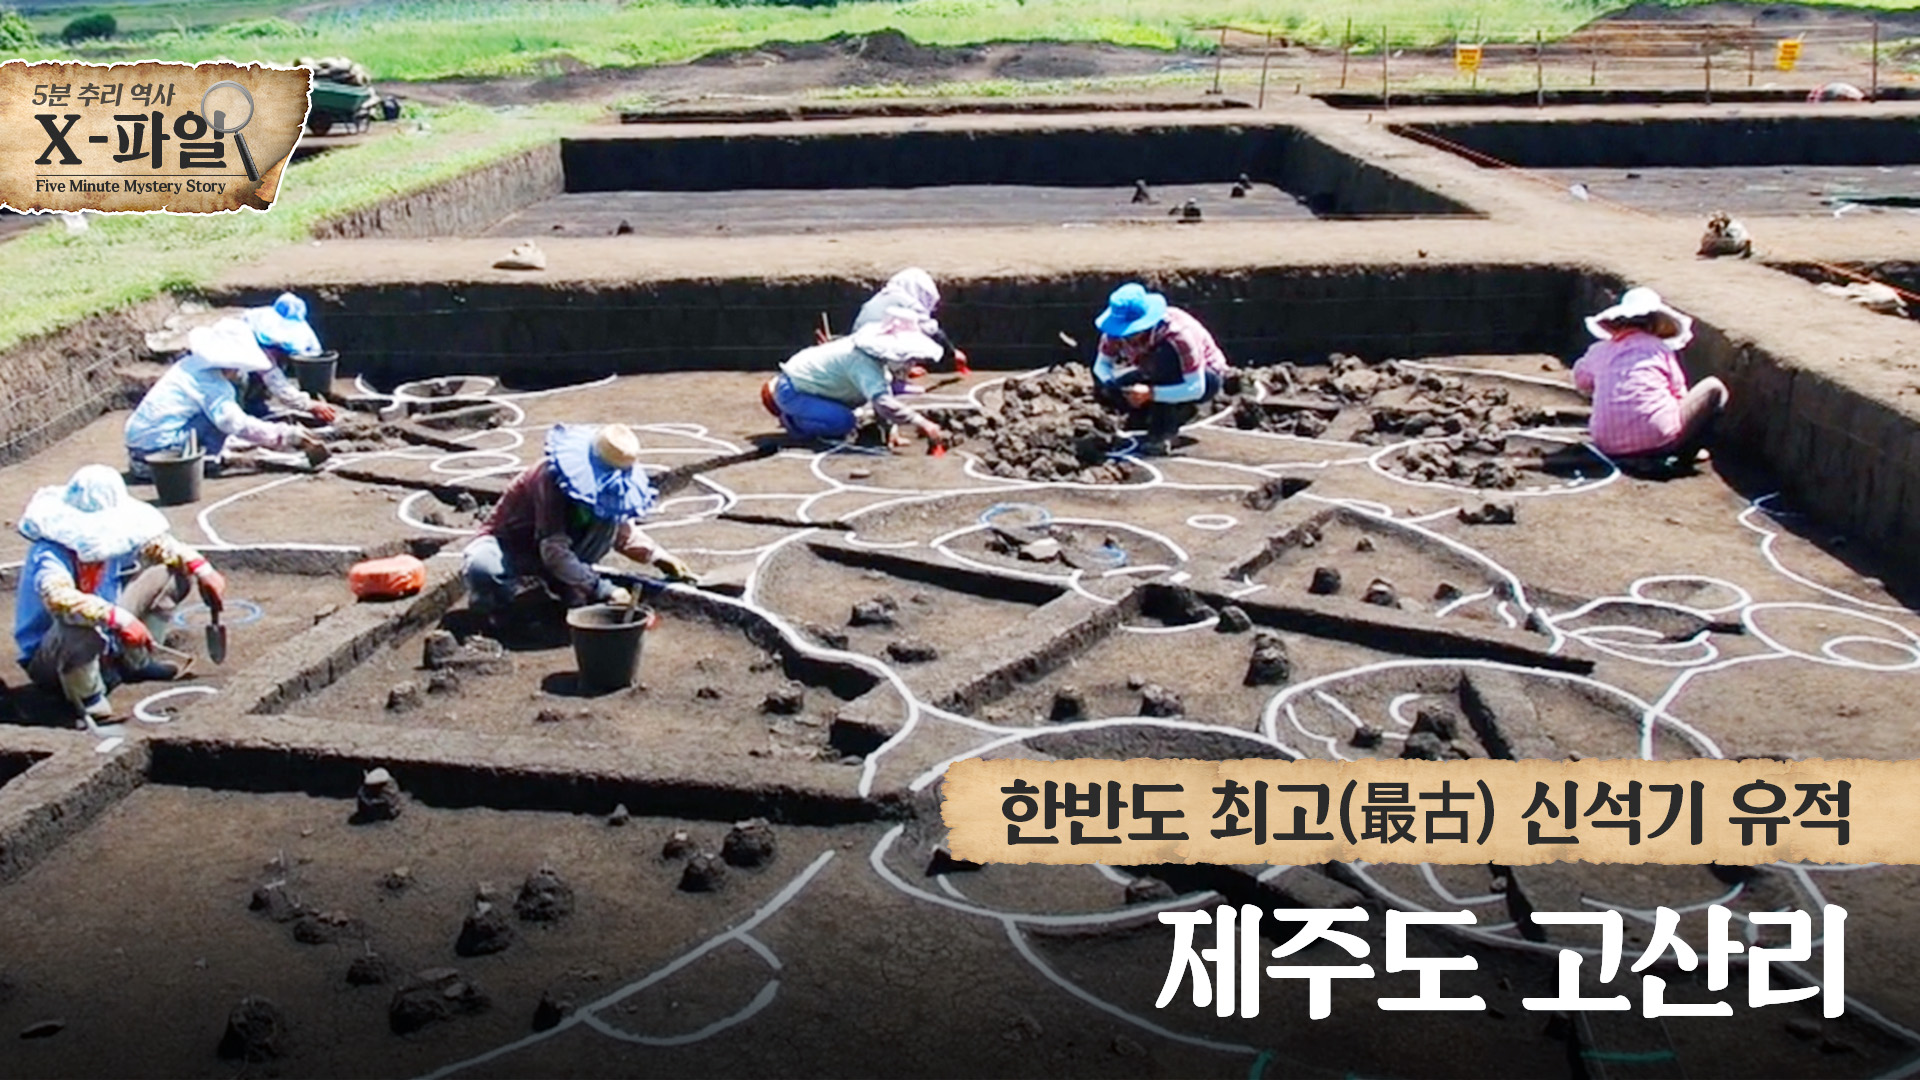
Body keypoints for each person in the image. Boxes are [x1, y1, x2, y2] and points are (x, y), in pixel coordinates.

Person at [13, 465, 227, 726]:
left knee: (171, 574)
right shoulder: (50, 553)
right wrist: (121, 619)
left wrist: (201, 569)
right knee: (79, 628)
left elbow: (158, 545)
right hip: (52, 656)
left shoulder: (113, 536)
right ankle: (88, 697)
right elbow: (60, 599)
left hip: (108, 627)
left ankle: (135, 661)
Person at [461, 423, 691, 628]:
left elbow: (621, 530)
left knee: (605, 524)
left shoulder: (606, 490)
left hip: (558, 547)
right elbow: (553, 550)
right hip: (511, 546)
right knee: (483, 567)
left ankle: (568, 584)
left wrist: (657, 556)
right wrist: (604, 589)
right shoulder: (549, 479)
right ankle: (497, 613)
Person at [124, 319, 329, 481]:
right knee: (220, 420)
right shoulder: (213, 385)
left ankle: (215, 450)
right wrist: (287, 435)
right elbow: (236, 423)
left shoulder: (189, 365)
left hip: (139, 449)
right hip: (160, 456)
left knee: (215, 418)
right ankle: (208, 460)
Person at [1573, 287, 1728, 470]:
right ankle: (1686, 454)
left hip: (1607, 444)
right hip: (1658, 441)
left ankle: (1620, 429)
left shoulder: (1599, 350)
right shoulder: (1660, 349)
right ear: (1654, 324)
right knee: (1714, 388)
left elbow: (1580, 381)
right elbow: (1679, 393)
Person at [1089, 282, 1228, 455]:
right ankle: (1161, 412)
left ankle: (1161, 434)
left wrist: (1150, 393)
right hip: (1152, 371)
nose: (1126, 338)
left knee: (1163, 360)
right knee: (1105, 389)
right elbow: (1102, 365)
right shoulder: (1115, 332)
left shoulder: (1178, 336)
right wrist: (1111, 385)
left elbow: (1196, 388)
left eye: (1131, 332)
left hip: (1204, 377)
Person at [765, 322, 948, 450]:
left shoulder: (876, 362)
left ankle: (811, 413)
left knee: (854, 406)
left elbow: (884, 395)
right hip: (793, 390)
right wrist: (921, 422)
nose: (910, 365)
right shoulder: (863, 363)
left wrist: (890, 428)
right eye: (907, 359)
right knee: (843, 422)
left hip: (815, 389)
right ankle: (793, 422)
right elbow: (883, 402)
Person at [239, 292, 340, 424]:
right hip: (220, 395)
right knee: (243, 378)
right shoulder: (248, 342)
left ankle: (254, 403)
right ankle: (242, 406)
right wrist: (310, 405)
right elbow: (276, 381)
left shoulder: (270, 342)